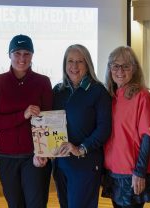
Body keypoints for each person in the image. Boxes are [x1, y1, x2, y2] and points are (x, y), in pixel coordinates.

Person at [0, 34, 52, 208]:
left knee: (36, 204)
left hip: (34, 157)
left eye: (27, 53)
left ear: (32, 55)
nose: (22, 58)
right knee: (15, 205)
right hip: (6, 158)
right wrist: (21, 115)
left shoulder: (43, 82)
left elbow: (49, 120)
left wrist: (43, 152)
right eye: (17, 53)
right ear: (9, 54)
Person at [52, 44, 112, 208]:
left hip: (85, 163)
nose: (74, 66)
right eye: (70, 61)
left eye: (80, 61)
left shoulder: (98, 91)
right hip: (61, 164)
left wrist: (82, 148)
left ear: (88, 65)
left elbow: (104, 128)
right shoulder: (58, 91)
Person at [102, 46, 150, 208]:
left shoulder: (142, 96)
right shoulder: (110, 96)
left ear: (134, 69)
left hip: (131, 173)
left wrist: (140, 172)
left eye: (126, 66)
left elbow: (148, 137)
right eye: (115, 65)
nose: (120, 70)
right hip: (112, 170)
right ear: (110, 69)